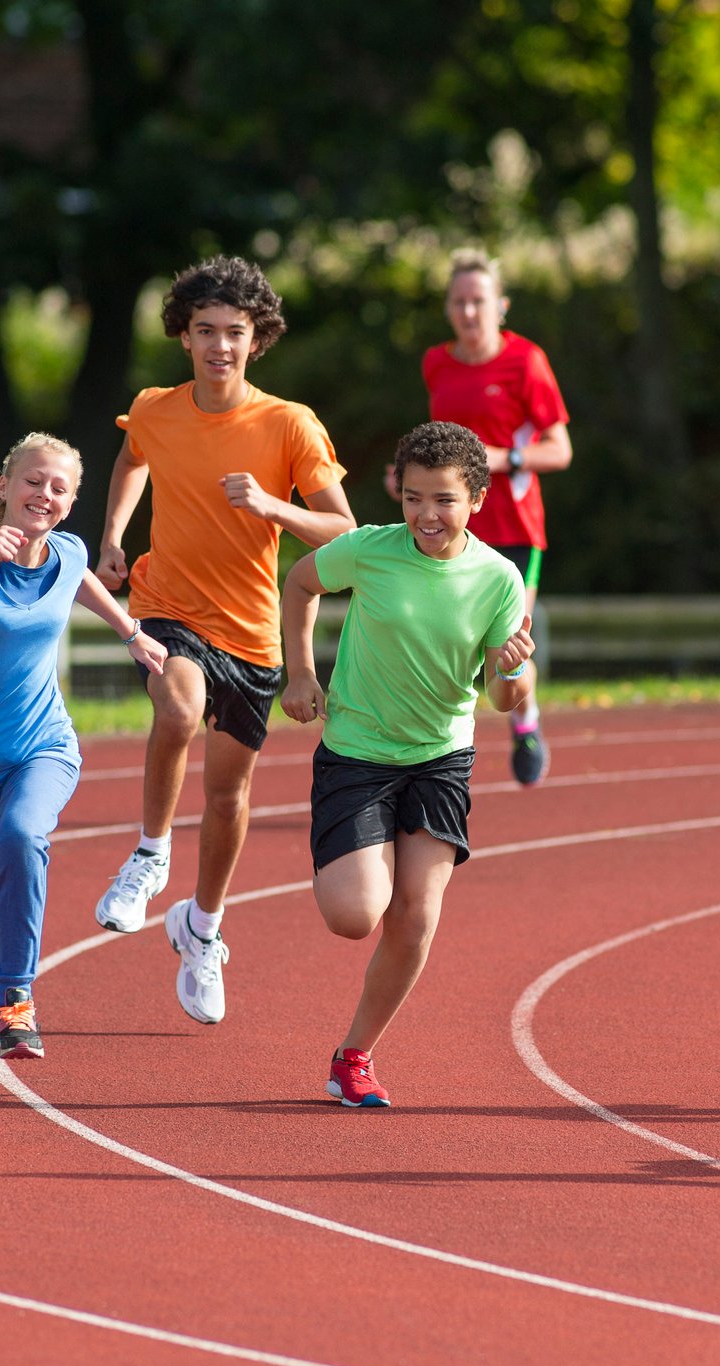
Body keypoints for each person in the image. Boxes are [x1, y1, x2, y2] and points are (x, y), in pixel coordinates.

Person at [92, 255, 355, 1025]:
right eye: (204, 331)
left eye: (233, 334)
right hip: (169, 605)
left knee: (228, 793)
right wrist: (112, 534)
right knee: (175, 709)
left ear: (257, 340)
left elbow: (342, 527)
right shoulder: (155, 409)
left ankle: (201, 928)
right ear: (184, 336)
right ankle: (148, 855)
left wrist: (274, 506)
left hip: (252, 632)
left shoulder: (287, 424)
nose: (218, 347)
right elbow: (130, 456)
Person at [282, 421, 533, 1107]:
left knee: (415, 918)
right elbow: (300, 584)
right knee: (355, 915)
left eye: (444, 500)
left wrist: (514, 674)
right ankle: (363, 860)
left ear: (475, 500)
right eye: (414, 498)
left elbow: (506, 697)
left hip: (440, 758)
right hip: (357, 753)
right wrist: (300, 673)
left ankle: (353, 1057)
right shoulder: (367, 550)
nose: (427, 515)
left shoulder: (497, 579)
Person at [0, 433, 167, 1060]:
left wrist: (132, 632)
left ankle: (15, 1000)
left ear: (71, 503)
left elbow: (80, 579)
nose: (43, 495)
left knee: (24, 835)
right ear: (4, 485)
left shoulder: (69, 552)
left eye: (59, 488)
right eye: (33, 481)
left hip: (43, 744)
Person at [404, 248, 570, 787]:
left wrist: (505, 459)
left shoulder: (526, 362)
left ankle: (524, 720)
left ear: (500, 306)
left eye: (479, 301)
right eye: (459, 302)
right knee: (448, 637)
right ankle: (436, 755)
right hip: (452, 524)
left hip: (517, 526)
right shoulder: (436, 363)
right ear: (449, 309)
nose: (469, 312)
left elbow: (560, 449)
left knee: (507, 643)